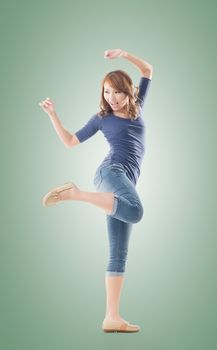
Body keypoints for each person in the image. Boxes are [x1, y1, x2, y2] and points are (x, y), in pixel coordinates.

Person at [39, 48, 153, 333]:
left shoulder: (137, 105)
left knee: (118, 252)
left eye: (116, 92)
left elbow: (148, 70)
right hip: (109, 174)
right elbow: (70, 141)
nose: (111, 98)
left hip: (119, 185)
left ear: (128, 92)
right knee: (136, 211)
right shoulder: (101, 118)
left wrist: (125, 54)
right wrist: (53, 115)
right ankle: (74, 193)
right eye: (106, 92)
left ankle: (111, 317)